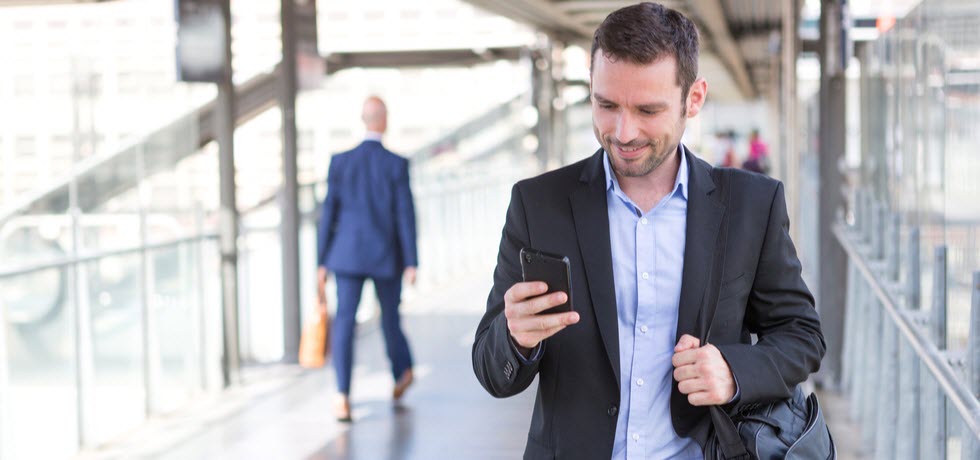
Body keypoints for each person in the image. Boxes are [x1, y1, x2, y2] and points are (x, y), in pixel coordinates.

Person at [471, 3, 825, 459]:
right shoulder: (538, 205)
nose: (623, 131)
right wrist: (515, 337)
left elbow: (801, 334)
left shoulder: (751, 206)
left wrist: (734, 371)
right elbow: (490, 367)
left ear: (693, 99)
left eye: (648, 109)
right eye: (606, 104)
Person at [317, 96, 417, 422]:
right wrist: (411, 261)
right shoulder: (396, 164)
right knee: (389, 318)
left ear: (363, 120)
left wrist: (321, 261)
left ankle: (342, 395)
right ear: (384, 120)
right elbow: (405, 215)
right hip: (386, 255)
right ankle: (402, 372)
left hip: (345, 255)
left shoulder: (340, 162)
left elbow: (327, 213)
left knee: (344, 322)